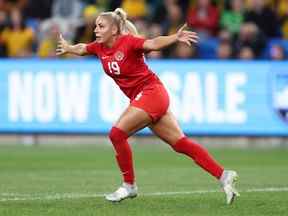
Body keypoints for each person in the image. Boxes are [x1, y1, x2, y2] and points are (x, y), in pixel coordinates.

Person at [56, 8, 239, 204]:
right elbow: (83, 48)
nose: (96, 30)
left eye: (101, 26)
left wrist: (174, 37)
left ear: (115, 30)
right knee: (180, 144)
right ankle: (223, 175)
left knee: (117, 134)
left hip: (152, 93)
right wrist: (68, 48)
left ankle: (129, 185)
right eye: (96, 26)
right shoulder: (100, 47)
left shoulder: (129, 42)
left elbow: (153, 43)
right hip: (145, 97)